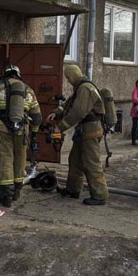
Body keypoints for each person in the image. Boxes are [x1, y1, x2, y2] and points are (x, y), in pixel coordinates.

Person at [47, 65, 112, 206]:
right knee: (75, 160)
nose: (68, 80)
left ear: (72, 76)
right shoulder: (80, 87)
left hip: (91, 130)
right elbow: (69, 105)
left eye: (68, 77)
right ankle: (73, 190)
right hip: (83, 131)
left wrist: (60, 127)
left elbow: (77, 112)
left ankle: (100, 195)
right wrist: (57, 112)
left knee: (91, 162)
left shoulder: (85, 89)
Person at [0, 65, 42, 207]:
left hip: (2, 128)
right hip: (23, 129)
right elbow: (37, 117)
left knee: (5, 159)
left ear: (5, 75)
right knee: (20, 158)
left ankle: (6, 196)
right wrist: (34, 134)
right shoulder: (28, 90)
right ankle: (17, 192)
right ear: (18, 75)